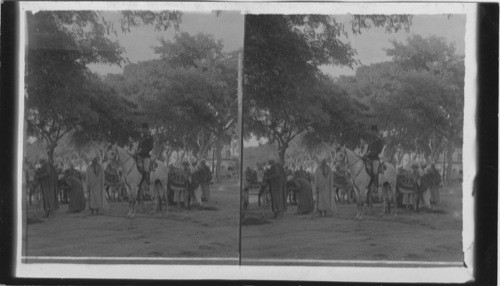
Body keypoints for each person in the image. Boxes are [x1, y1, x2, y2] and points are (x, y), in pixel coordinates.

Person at [364, 125, 385, 189]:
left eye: (374, 131)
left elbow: (380, 150)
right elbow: (367, 149)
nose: (372, 132)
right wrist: (365, 153)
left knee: (375, 171)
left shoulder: (379, 140)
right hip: (368, 157)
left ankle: (376, 186)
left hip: (375, 158)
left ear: (376, 132)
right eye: (372, 131)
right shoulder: (370, 139)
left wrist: (372, 153)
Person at [136, 123, 154, 191]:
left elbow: (150, 147)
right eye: (141, 129)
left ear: (146, 129)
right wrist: (137, 151)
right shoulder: (141, 138)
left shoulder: (150, 138)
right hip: (139, 156)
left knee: (146, 168)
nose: (142, 130)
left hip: (146, 156)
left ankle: (147, 184)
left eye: (143, 129)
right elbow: (139, 146)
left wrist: (142, 151)